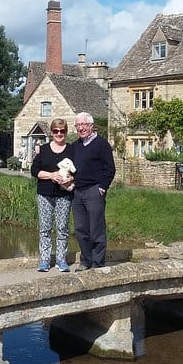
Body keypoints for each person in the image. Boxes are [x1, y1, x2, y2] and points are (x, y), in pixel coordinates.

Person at [70, 112, 116, 271]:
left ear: (91, 125)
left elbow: (110, 169)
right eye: (78, 125)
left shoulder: (101, 144)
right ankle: (85, 261)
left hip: (93, 191)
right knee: (80, 229)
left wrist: (102, 188)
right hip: (77, 193)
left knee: (96, 228)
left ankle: (97, 263)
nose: (81, 128)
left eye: (83, 124)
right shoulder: (75, 146)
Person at [30, 119, 75, 273]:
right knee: (45, 228)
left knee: (62, 228)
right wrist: (51, 175)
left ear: (66, 132)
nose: (59, 134)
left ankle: (61, 260)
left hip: (64, 195)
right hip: (45, 194)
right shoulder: (43, 150)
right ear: (51, 132)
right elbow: (34, 170)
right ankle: (45, 260)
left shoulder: (71, 149)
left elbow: (78, 171)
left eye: (62, 131)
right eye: (56, 131)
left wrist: (70, 178)